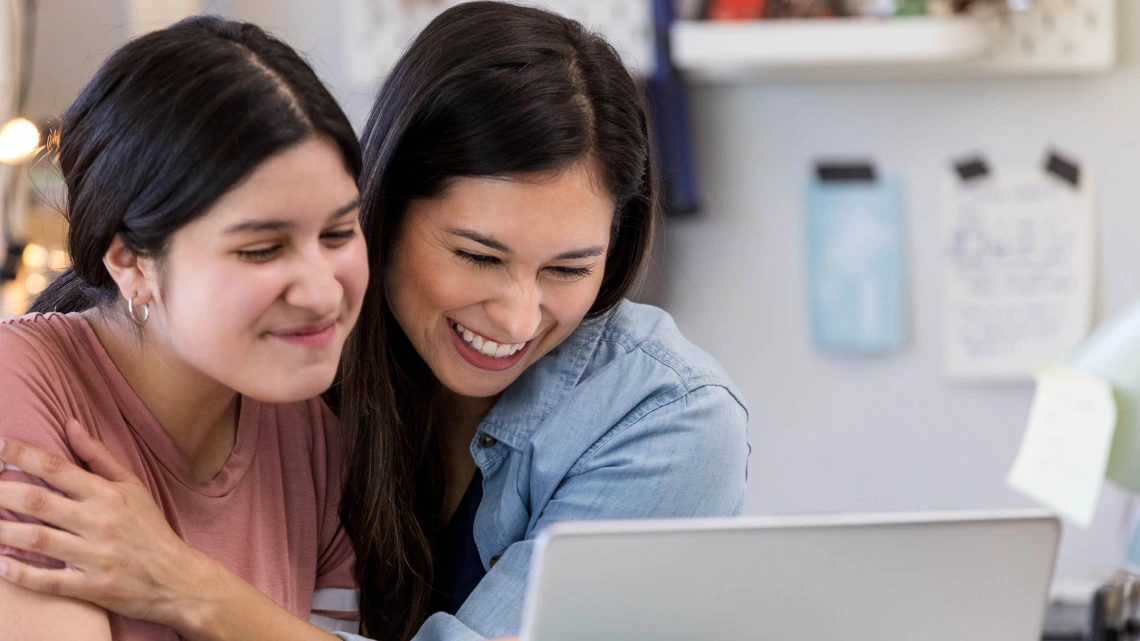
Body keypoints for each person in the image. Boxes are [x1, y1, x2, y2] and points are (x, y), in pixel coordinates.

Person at [0, 4, 750, 641]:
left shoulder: (664, 416)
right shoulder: (297, 379)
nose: (521, 315)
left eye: (567, 269)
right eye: (477, 255)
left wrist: (183, 584)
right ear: (385, 210)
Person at [0, 15, 369, 640]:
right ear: (129, 261)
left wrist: (185, 586)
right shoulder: (21, 395)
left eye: (338, 233)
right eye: (261, 248)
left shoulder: (312, 437)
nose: (323, 290)